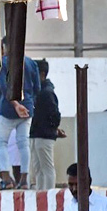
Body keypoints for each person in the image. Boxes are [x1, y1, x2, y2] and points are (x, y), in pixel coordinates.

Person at [0, 54, 40, 189]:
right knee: (23, 143)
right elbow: (37, 88)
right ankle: (24, 180)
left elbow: (4, 87)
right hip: (27, 109)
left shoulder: (5, 62)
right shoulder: (31, 63)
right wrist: (28, 103)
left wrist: (16, 105)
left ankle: (7, 179)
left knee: (0, 142)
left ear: (3, 47)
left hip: (8, 109)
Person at [28, 59, 63, 190]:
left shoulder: (46, 92)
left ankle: (48, 193)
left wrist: (52, 128)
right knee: (38, 169)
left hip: (43, 135)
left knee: (46, 168)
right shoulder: (41, 91)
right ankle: (41, 194)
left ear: (41, 74)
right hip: (38, 134)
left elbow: (54, 114)